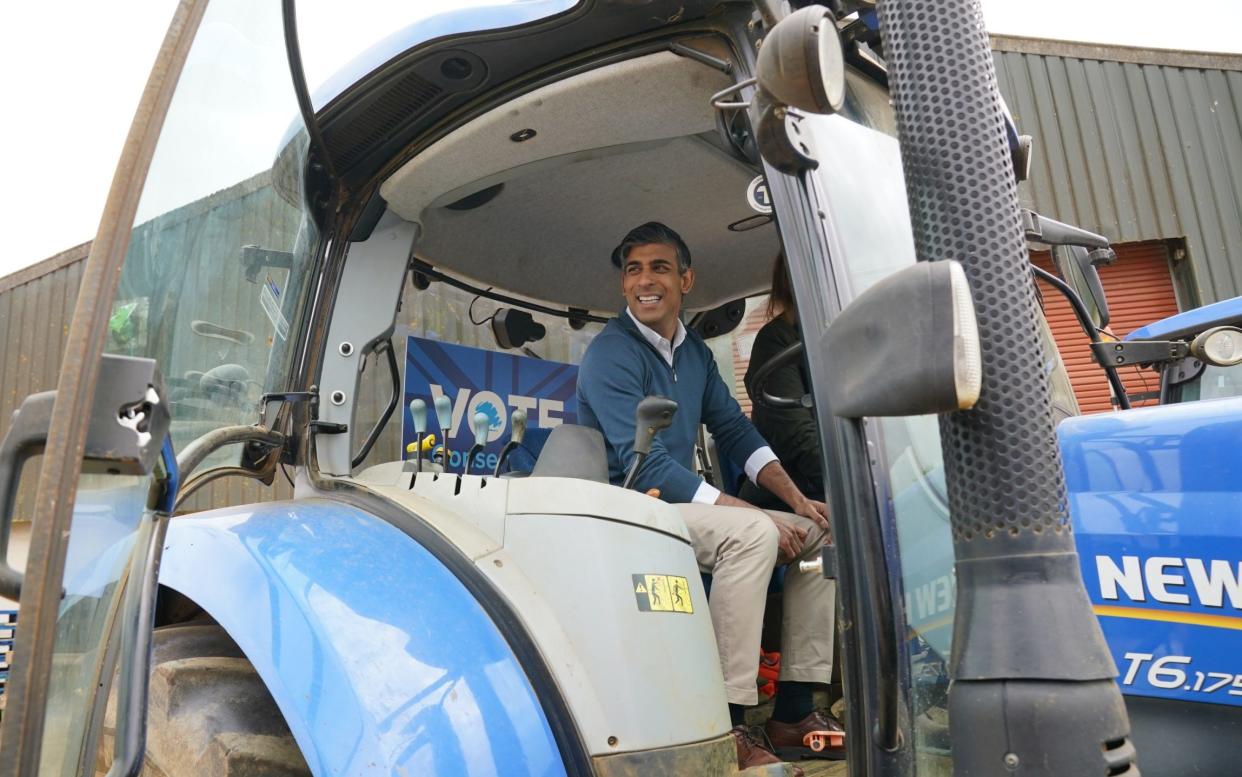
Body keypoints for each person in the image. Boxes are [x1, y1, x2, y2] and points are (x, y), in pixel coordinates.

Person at [576, 222, 842, 769]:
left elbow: (737, 432)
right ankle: (726, 723)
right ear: (624, 286)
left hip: (672, 509)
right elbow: (644, 461)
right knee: (749, 533)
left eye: (659, 267)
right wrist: (755, 515)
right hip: (626, 507)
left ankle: (794, 710)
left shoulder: (694, 352)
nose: (645, 281)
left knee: (820, 532)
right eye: (633, 270)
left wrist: (796, 502)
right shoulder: (611, 353)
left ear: (686, 279)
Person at [743, 254, 823, 505]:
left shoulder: (852, 335)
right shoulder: (777, 341)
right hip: (796, 495)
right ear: (791, 282)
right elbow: (799, 439)